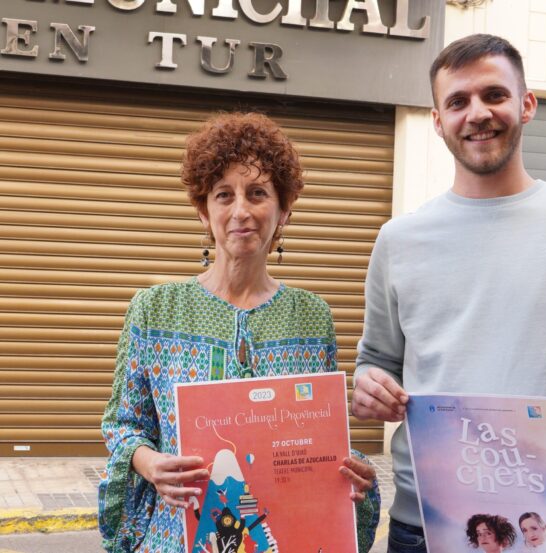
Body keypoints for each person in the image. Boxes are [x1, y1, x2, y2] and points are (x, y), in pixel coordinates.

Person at [351, 34, 546, 553]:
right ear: (437, 120)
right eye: (458, 101)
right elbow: (376, 360)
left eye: (494, 95)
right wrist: (368, 386)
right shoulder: (398, 240)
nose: (477, 113)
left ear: (526, 104)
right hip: (425, 524)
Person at [99, 112, 380, 553]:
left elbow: (318, 437)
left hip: (285, 536)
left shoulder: (312, 317)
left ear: (284, 210)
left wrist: (352, 470)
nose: (241, 211)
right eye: (223, 195)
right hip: (178, 535)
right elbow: (123, 424)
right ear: (202, 210)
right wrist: (151, 463)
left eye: (257, 193)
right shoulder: (154, 311)